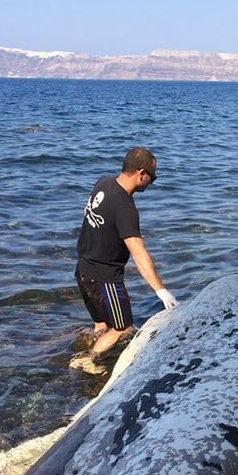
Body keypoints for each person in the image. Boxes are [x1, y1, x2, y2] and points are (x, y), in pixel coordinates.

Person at [70, 146, 177, 370]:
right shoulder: (125, 208)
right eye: (152, 177)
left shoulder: (104, 183)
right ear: (141, 174)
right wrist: (160, 290)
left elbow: (88, 212)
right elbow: (138, 253)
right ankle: (90, 362)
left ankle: (96, 347)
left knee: (102, 322)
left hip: (82, 270)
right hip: (105, 278)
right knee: (123, 328)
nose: (152, 182)